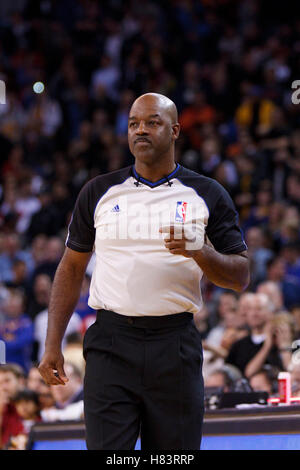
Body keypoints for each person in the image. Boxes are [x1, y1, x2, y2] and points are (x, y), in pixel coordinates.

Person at [38, 93, 249, 450]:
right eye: (134, 123)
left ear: (175, 130)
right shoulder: (98, 191)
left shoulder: (206, 193)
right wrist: (52, 343)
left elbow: (240, 276)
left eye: (153, 122)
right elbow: (71, 268)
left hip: (175, 343)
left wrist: (200, 252)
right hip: (111, 342)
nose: (141, 130)